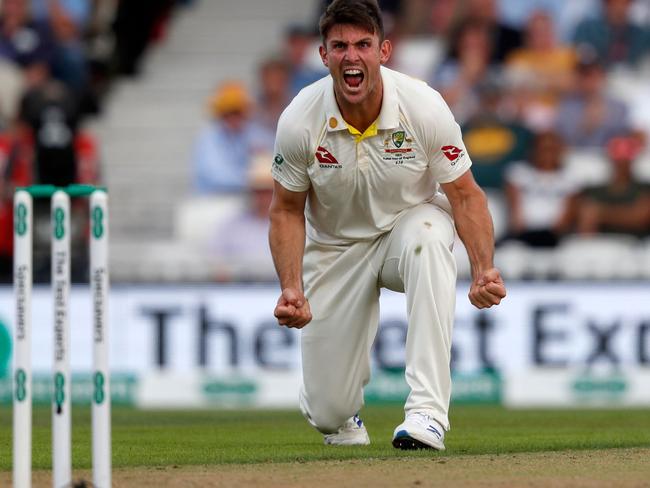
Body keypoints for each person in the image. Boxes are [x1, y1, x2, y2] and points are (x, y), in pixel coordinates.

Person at [269, 0, 505, 450]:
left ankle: (426, 415)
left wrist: (483, 269)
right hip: (337, 248)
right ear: (323, 55)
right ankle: (340, 408)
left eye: (363, 44)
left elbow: (465, 194)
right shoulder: (300, 119)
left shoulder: (423, 106)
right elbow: (284, 209)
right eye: (339, 46)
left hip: (406, 229)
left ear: (384, 50)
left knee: (431, 238)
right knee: (328, 415)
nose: (351, 56)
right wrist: (291, 287)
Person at [191, 81, 274, 194]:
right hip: (212, 199)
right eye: (229, 113)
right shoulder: (208, 138)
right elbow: (216, 175)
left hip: (246, 199)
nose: (234, 118)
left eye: (238, 112)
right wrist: (255, 177)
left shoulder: (252, 132)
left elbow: (271, 147)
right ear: (220, 114)